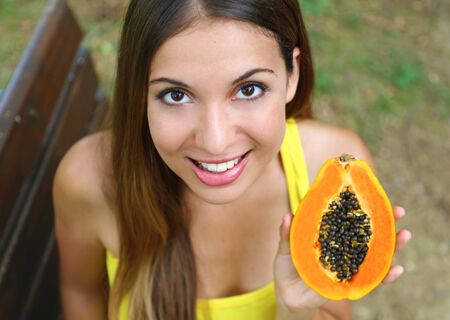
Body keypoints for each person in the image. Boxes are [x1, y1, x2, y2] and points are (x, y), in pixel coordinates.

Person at [53, 0, 411, 319]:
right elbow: (81, 291)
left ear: (292, 75)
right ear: (139, 89)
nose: (215, 140)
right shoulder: (89, 182)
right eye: (176, 94)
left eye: (249, 89)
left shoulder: (327, 164)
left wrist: (298, 311)